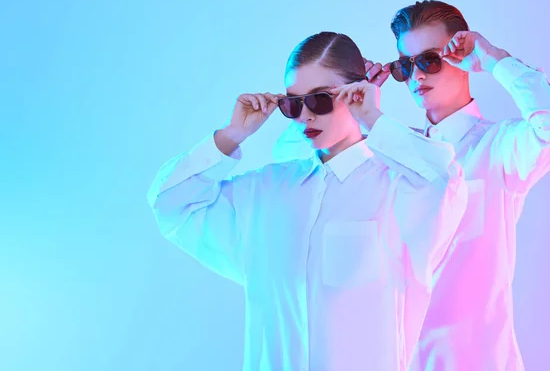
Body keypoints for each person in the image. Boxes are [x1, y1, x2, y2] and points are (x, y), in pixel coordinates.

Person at [147, 31, 467, 370]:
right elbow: (169, 204)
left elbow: (447, 180)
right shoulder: (265, 191)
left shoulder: (398, 188)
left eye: (320, 99)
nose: (304, 115)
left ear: (356, 92)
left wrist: (373, 117)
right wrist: (231, 135)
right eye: (293, 103)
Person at [363, 0, 550, 370]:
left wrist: (494, 59)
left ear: (461, 54)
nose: (416, 76)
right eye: (405, 65)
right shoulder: (391, 155)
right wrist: (351, 104)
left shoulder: (499, 149)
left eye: (429, 60)